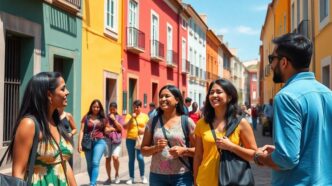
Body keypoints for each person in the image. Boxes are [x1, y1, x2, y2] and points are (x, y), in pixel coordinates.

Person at [254, 33, 332, 185]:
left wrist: (260, 157)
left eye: (272, 59)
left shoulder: (286, 96)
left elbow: (286, 158)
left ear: (284, 62)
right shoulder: (328, 93)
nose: (271, 65)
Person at [8, 72, 77, 185]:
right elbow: (18, 173)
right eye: (63, 89)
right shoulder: (29, 124)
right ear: (49, 94)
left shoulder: (56, 121)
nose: (67, 92)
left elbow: (63, 161)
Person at [194, 79, 257, 186]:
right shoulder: (201, 123)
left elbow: (254, 156)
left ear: (229, 97)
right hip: (205, 180)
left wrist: (231, 147)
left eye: (219, 92)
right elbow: (198, 155)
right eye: (211, 92)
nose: (214, 95)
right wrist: (195, 180)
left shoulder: (241, 123)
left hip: (232, 181)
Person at [141, 85, 196, 186]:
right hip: (157, 176)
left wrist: (184, 150)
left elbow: (200, 150)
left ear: (177, 100)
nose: (163, 99)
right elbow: (143, 150)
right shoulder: (153, 121)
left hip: (182, 176)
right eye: (161, 96)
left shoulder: (187, 122)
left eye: (167, 96)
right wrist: (156, 147)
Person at [78, 99, 111, 186]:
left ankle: (92, 184)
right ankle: (93, 181)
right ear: (91, 107)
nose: (96, 108)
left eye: (97, 107)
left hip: (100, 141)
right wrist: (79, 144)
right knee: (89, 164)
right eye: (94, 107)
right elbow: (81, 131)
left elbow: (107, 129)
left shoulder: (103, 119)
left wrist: (110, 130)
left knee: (95, 162)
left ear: (100, 108)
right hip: (87, 142)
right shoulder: (86, 117)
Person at [124, 100, 149, 184]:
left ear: (140, 107)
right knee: (131, 159)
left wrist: (144, 129)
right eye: (134, 106)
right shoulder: (129, 115)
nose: (135, 108)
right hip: (130, 139)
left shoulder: (145, 116)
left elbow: (149, 127)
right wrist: (131, 118)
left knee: (140, 158)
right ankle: (131, 177)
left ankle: (142, 176)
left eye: (137, 107)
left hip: (140, 140)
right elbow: (125, 127)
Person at [103, 102, 124, 185]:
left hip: (116, 140)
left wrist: (114, 120)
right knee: (107, 159)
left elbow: (120, 128)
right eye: (110, 109)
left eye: (113, 109)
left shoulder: (119, 117)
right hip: (107, 140)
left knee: (115, 157)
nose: (112, 111)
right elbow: (105, 129)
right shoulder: (106, 118)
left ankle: (117, 174)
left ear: (116, 109)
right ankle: (109, 178)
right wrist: (111, 129)